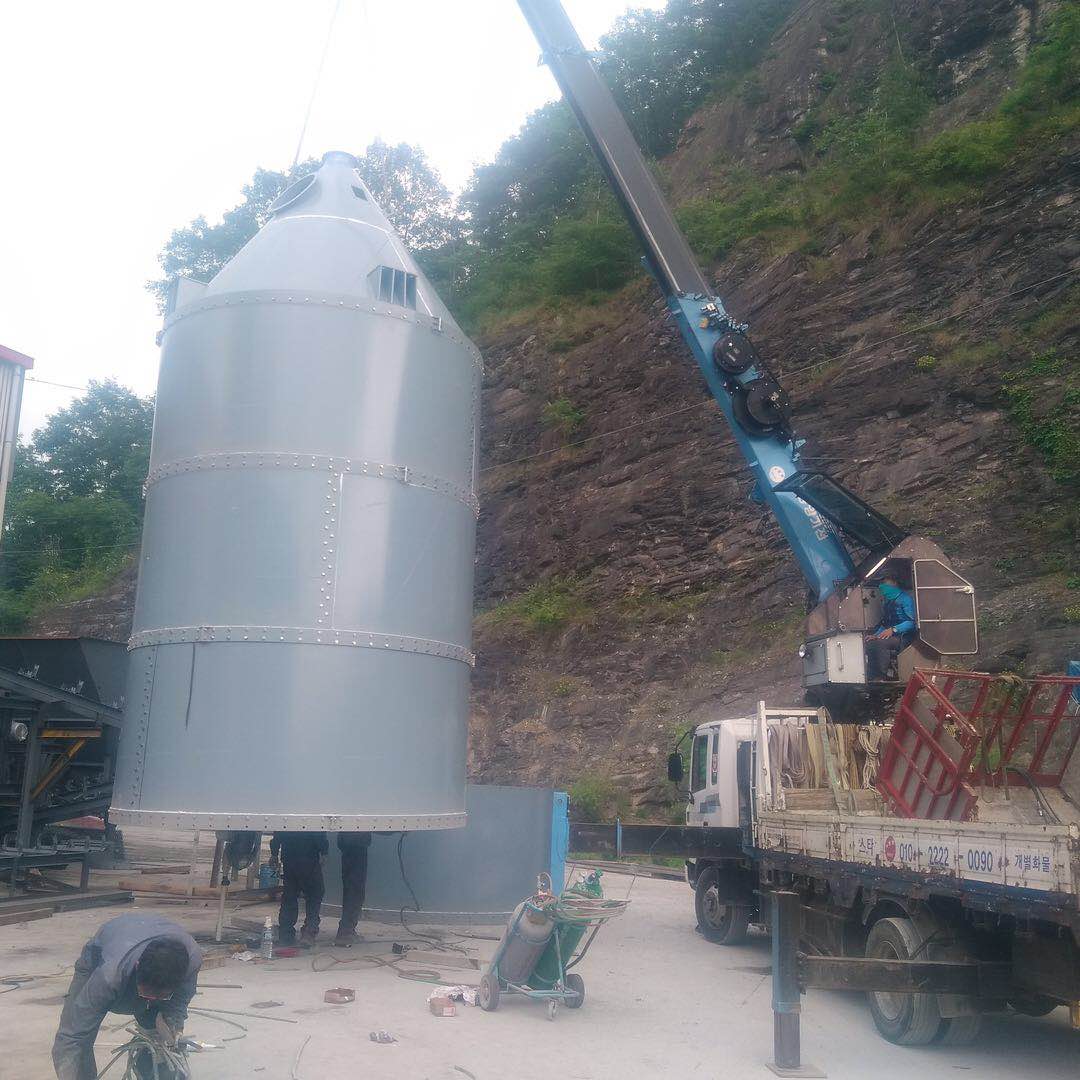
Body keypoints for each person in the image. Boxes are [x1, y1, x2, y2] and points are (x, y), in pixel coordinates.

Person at [52, 913, 201, 1080]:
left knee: (161, 1034)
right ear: (137, 966)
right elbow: (72, 1038)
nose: (149, 1001)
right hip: (99, 957)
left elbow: (178, 1002)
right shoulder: (109, 977)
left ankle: (153, 1073)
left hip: (138, 944)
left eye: (159, 996)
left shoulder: (191, 961)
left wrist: (172, 1027)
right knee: (78, 1033)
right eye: (146, 994)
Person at [270, 831, 328, 946]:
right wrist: (324, 851)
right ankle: (309, 933)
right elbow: (318, 831)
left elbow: (279, 830)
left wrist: (274, 853)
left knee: (289, 896)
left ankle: (286, 935)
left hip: (289, 856)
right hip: (309, 857)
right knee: (315, 893)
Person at [865, 574, 917, 680]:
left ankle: (882, 676)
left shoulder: (906, 599)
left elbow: (912, 622)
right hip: (893, 635)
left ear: (894, 583)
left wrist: (894, 630)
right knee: (869, 642)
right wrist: (875, 635)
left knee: (879, 643)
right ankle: (872, 675)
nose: (883, 585)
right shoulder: (888, 602)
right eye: (882, 583)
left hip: (905, 636)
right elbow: (885, 624)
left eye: (885, 582)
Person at [335, 832, 372, 946]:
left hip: (347, 845)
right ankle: (346, 932)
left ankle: (347, 929)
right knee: (355, 891)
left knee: (350, 889)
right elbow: (371, 821)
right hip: (357, 846)